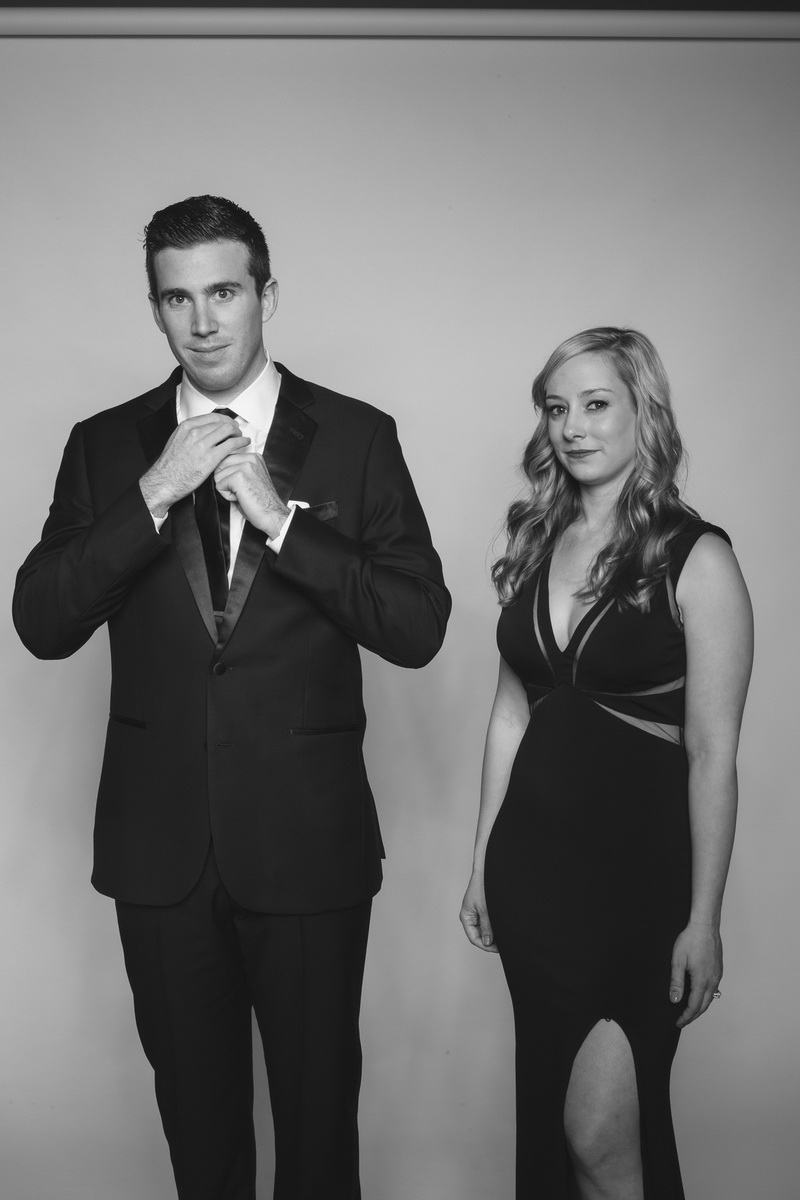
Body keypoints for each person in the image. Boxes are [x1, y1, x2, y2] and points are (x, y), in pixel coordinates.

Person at [13, 194, 450, 1200]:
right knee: (200, 1140)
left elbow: (417, 625)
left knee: (317, 1134)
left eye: (224, 292)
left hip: (307, 843)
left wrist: (286, 526)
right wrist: (152, 493)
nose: (203, 321)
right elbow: (42, 620)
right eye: (178, 299)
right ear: (155, 309)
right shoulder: (105, 446)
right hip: (159, 850)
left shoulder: (355, 436)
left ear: (266, 295)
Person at [459, 327, 752, 1199]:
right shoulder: (537, 543)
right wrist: (481, 862)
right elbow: (510, 715)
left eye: (596, 405)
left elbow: (713, 751)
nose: (573, 427)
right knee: (561, 1129)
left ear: (643, 412)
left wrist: (704, 918)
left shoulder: (697, 556)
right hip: (532, 881)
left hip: (636, 888)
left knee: (602, 1133)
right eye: (557, 409)